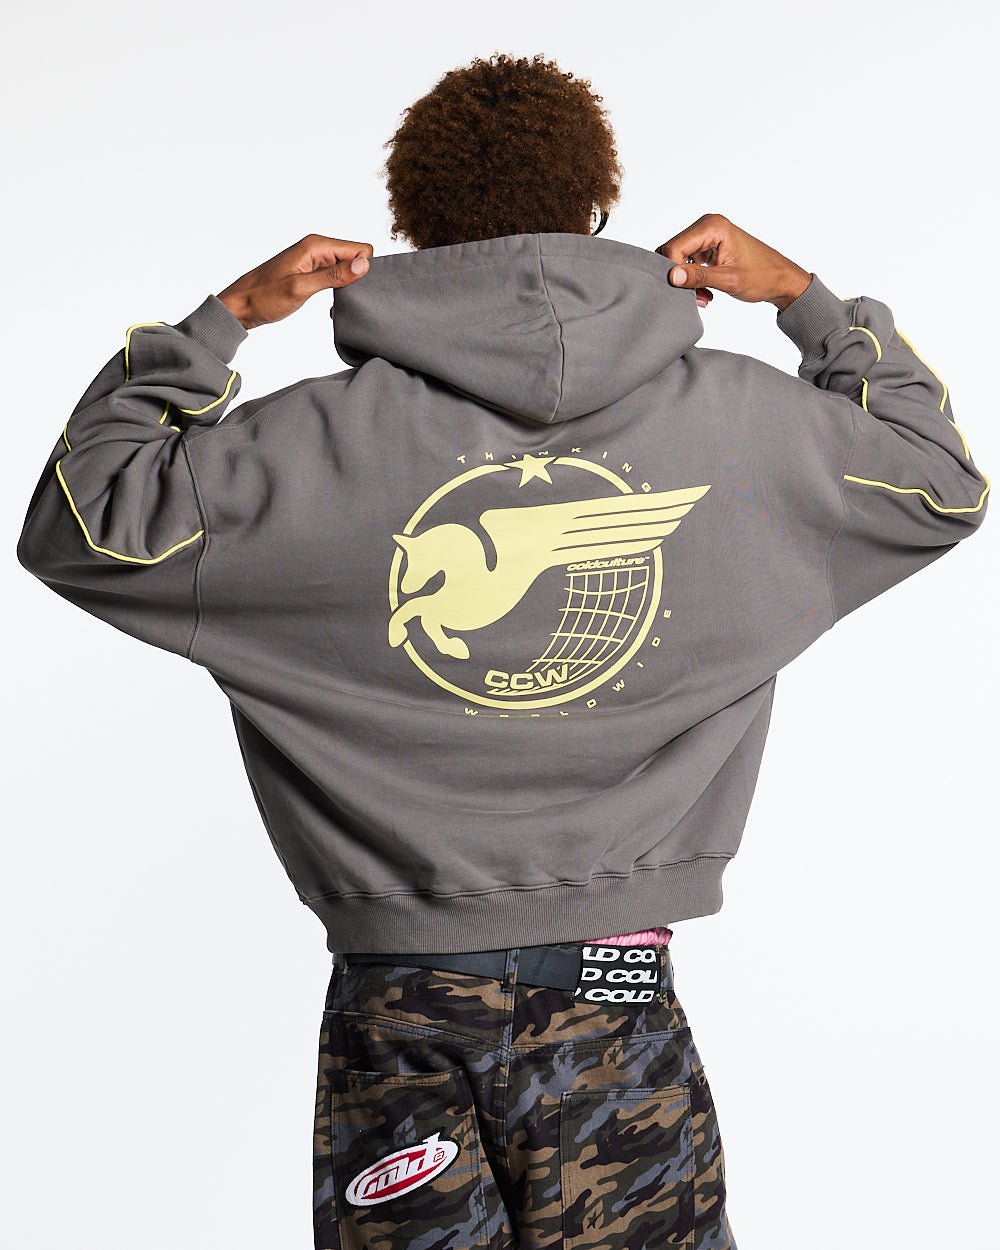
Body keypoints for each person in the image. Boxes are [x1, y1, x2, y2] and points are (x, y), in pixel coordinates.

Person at [16, 50, 989, 1250]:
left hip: (397, 1003)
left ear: (411, 225)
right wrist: (803, 300)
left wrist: (226, 319)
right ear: (596, 206)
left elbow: (81, 523)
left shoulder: (294, 451)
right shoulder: (746, 428)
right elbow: (939, 482)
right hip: (615, 1002)